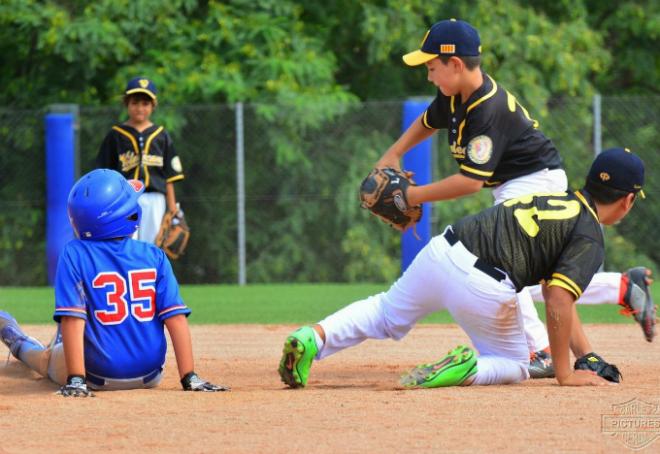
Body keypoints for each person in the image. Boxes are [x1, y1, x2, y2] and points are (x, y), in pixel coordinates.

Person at [374, 19, 653, 377]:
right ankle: (622, 289)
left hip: (532, 180)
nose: (428, 75)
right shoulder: (454, 96)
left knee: (506, 265)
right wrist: (393, 154)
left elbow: (471, 182)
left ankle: (540, 349)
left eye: (431, 66)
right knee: (536, 274)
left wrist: (413, 194)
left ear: (455, 63)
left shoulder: (489, 107)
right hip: (516, 183)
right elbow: (428, 121)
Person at [278, 147, 653, 388]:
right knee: (516, 363)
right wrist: (566, 373)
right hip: (483, 284)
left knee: (384, 312)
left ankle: (314, 337)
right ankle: (467, 368)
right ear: (628, 201)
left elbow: (556, 292)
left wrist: (585, 355)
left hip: (444, 249)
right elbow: (558, 301)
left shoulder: (554, 198)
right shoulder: (588, 234)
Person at [0, 169, 227, 396]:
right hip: (150, 375)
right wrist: (190, 377)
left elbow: (72, 319)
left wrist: (77, 380)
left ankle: (18, 342)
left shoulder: (74, 253)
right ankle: (54, 342)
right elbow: (175, 317)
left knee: (48, 356)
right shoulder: (154, 255)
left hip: (93, 376)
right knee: (75, 313)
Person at [96, 77, 185, 244]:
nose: (140, 108)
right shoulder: (115, 135)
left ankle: (150, 271)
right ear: (126, 104)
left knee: (152, 245)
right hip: (124, 198)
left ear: (153, 106)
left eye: (145, 103)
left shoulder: (161, 135)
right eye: (135, 103)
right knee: (127, 243)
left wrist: (173, 208)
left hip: (155, 198)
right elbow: (105, 174)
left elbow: (169, 176)